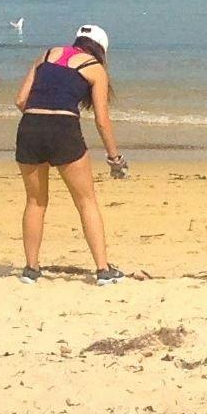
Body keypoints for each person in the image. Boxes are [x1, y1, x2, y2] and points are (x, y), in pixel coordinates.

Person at [13, 24, 124, 284]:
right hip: (64, 129)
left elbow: (20, 100)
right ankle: (103, 270)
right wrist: (114, 157)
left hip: (30, 126)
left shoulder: (48, 54)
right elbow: (102, 120)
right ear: (101, 50)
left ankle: (31, 269)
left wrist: (41, 121)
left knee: (35, 202)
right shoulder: (95, 69)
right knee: (86, 202)